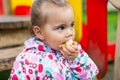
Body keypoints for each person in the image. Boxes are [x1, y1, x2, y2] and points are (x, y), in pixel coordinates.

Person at [8, 0, 99, 80]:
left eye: (72, 25)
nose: (70, 33)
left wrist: (76, 59)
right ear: (39, 32)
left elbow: (90, 76)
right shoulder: (28, 60)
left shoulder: (75, 52)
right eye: (61, 28)